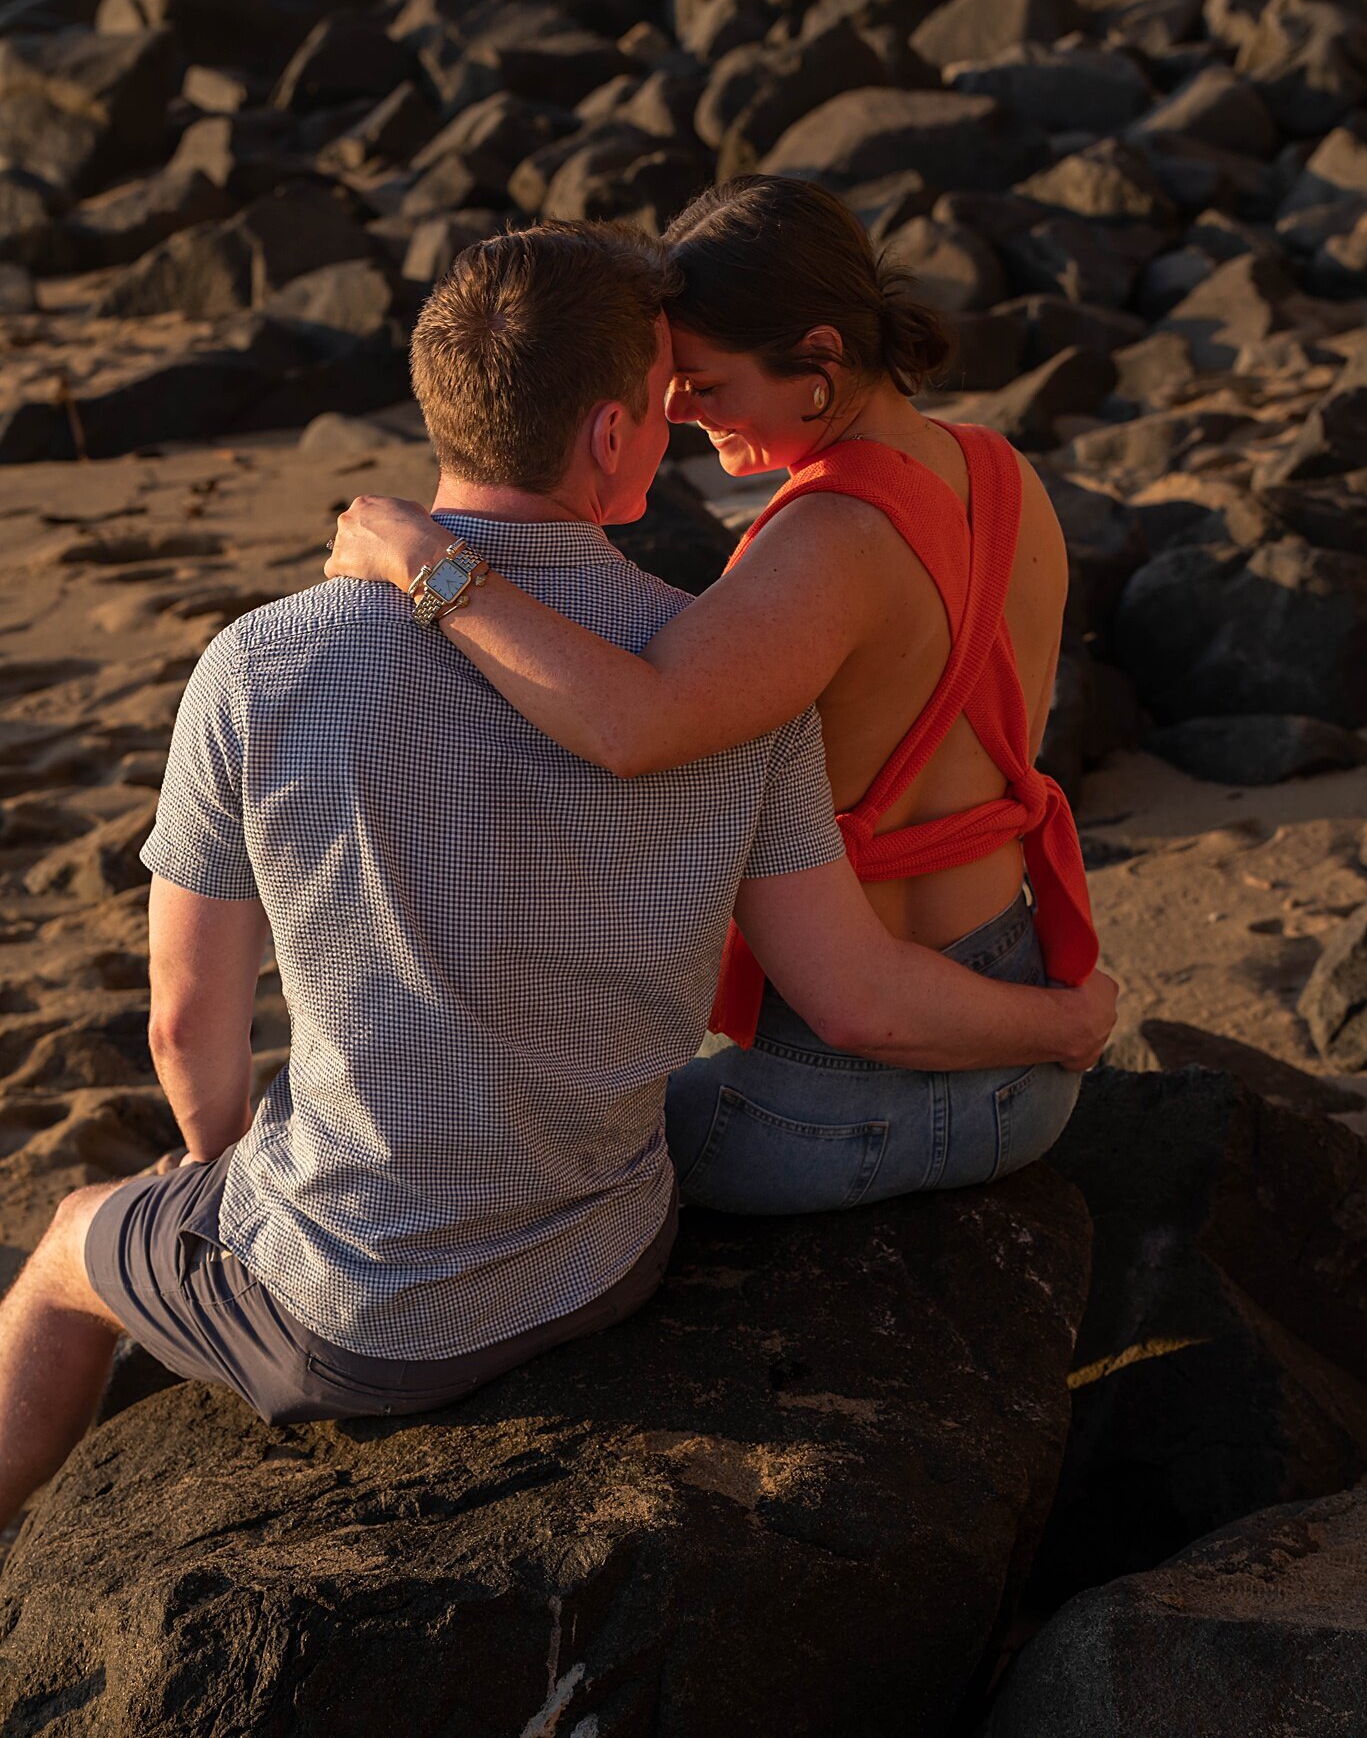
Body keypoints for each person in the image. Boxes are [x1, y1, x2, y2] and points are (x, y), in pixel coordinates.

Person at [0, 220, 1115, 1529]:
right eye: (665, 402)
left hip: (350, 1315)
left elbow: (187, 1030)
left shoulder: (259, 664)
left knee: (72, 1243)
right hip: (604, 1266)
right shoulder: (721, 672)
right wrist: (1065, 1022)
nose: (684, 424)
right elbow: (850, 987)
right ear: (606, 438)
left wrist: (240, 1191)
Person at [326, 178, 1106, 1218]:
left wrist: (426, 560)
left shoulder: (826, 542)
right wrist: (1051, 1023)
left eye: (703, 383)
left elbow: (633, 723)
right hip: (1011, 1001)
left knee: (508, 1194)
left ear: (818, 363)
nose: (674, 411)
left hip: (867, 1087)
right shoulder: (998, 470)